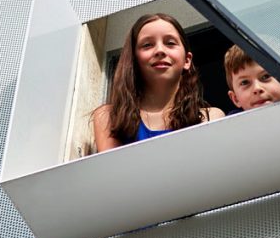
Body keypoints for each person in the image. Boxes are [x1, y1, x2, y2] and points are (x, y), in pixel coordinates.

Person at [93, 13, 225, 151]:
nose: (160, 50)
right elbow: (115, 171)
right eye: (147, 45)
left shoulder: (209, 119)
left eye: (170, 43)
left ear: (187, 60)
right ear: (134, 59)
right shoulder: (109, 118)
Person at [224, 44, 280, 113]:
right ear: (236, 99)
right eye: (244, 82)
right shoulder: (230, 122)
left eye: (265, 77)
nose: (257, 88)